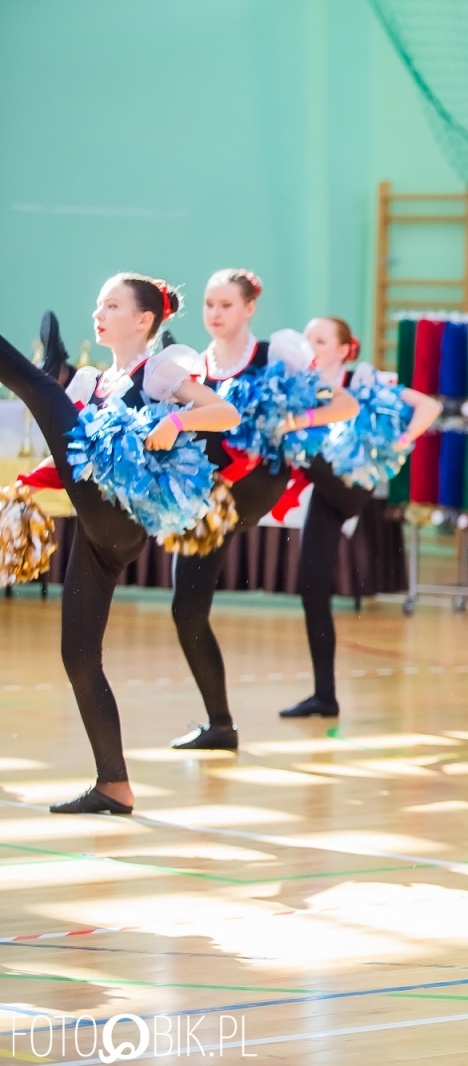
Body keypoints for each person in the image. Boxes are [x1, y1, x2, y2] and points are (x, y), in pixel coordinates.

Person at [1, 274, 240, 813]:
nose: (99, 312)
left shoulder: (158, 370)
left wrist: (177, 420)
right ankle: (114, 785)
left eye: (112, 304)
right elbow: (74, 457)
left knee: (41, 389)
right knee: (78, 655)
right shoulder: (92, 383)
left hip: (121, 516)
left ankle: (44, 367)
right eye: (98, 304)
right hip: (97, 534)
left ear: (144, 320)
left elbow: (226, 414)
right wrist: (25, 483)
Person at [169, 270, 358, 749]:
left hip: (257, 482)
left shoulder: (275, 354)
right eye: (209, 304)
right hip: (207, 497)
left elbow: (344, 404)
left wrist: (296, 419)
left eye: (226, 305)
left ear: (250, 308)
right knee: (186, 611)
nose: (215, 313)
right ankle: (220, 725)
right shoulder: (194, 366)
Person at [278, 317, 441, 719]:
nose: (309, 345)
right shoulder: (303, 386)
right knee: (310, 586)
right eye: (307, 338)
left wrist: (402, 442)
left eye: (319, 339)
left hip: (353, 484)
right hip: (327, 492)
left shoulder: (363, 382)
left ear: (342, 349)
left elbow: (430, 405)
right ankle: (324, 696)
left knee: (287, 437)